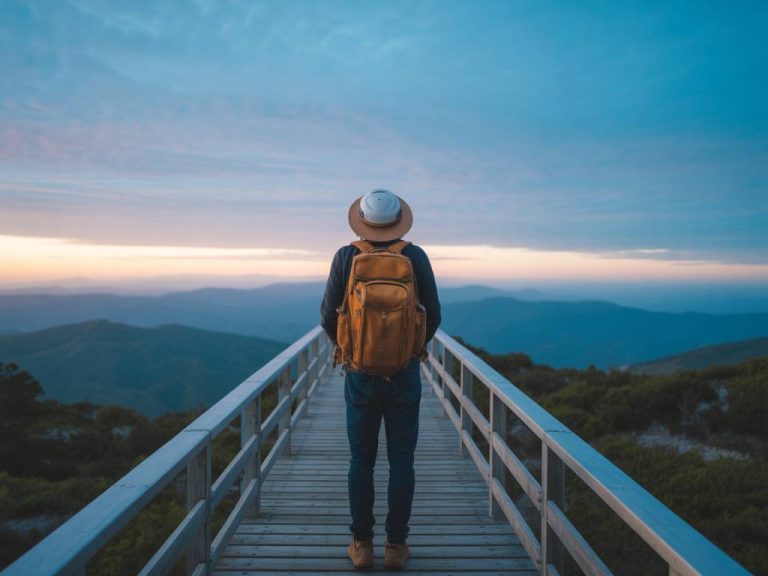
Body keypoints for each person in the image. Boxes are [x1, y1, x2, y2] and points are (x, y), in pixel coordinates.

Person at [320, 190, 441, 570]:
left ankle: (361, 545)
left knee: (362, 461)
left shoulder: (347, 255)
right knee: (402, 461)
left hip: (360, 375)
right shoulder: (414, 256)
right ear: (398, 220)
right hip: (403, 374)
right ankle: (396, 546)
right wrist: (408, 352)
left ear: (363, 220)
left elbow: (328, 314)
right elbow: (433, 314)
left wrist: (353, 352)